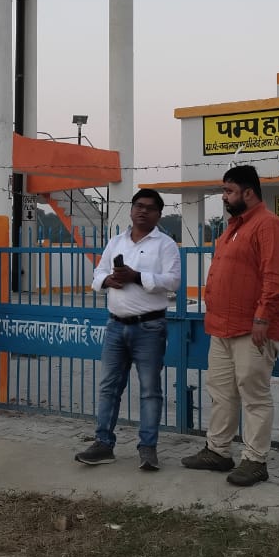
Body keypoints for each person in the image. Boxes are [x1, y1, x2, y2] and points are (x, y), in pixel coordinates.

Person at [182, 165, 279, 487]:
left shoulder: (268, 225)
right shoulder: (232, 228)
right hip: (222, 328)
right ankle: (217, 450)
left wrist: (262, 318)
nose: (224, 197)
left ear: (249, 192)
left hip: (253, 329)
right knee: (221, 392)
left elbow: (275, 277)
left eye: (229, 191)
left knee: (254, 396)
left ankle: (255, 461)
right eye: (224, 191)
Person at [75, 189, 181, 471]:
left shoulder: (166, 245)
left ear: (158, 214)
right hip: (115, 326)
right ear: (131, 210)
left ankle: (148, 448)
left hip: (150, 327)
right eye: (138, 206)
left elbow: (173, 281)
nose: (142, 211)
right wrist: (108, 280)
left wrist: (137, 277)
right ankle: (103, 444)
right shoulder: (116, 241)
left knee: (149, 390)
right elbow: (97, 273)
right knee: (108, 388)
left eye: (149, 208)